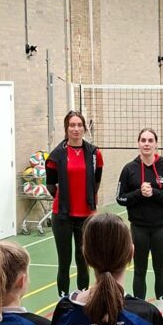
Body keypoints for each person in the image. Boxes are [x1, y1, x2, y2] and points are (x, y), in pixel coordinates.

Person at [115, 128, 163, 312]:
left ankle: (161, 310)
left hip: (161, 227)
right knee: (139, 270)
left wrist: (154, 193)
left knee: (160, 269)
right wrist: (138, 193)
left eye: (150, 140)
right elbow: (120, 198)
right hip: (139, 229)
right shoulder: (129, 169)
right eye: (143, 140)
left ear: (156, 144)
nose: (146, 144)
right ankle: (140, 310)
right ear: (138, 143)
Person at [46, 111, 104, 297]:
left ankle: (82, 300)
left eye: (79, 125)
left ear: (84, 128)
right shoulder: (56, 155)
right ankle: (63, 300)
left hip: (85, 216)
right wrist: (64, 199)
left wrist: (89, 201)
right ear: (66, 128)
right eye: (72, 125)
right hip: (62, 216)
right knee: (64, 262)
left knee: (83, 260)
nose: (76, 129)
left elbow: (96, 182)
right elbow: (50, 185)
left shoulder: (94, 153)